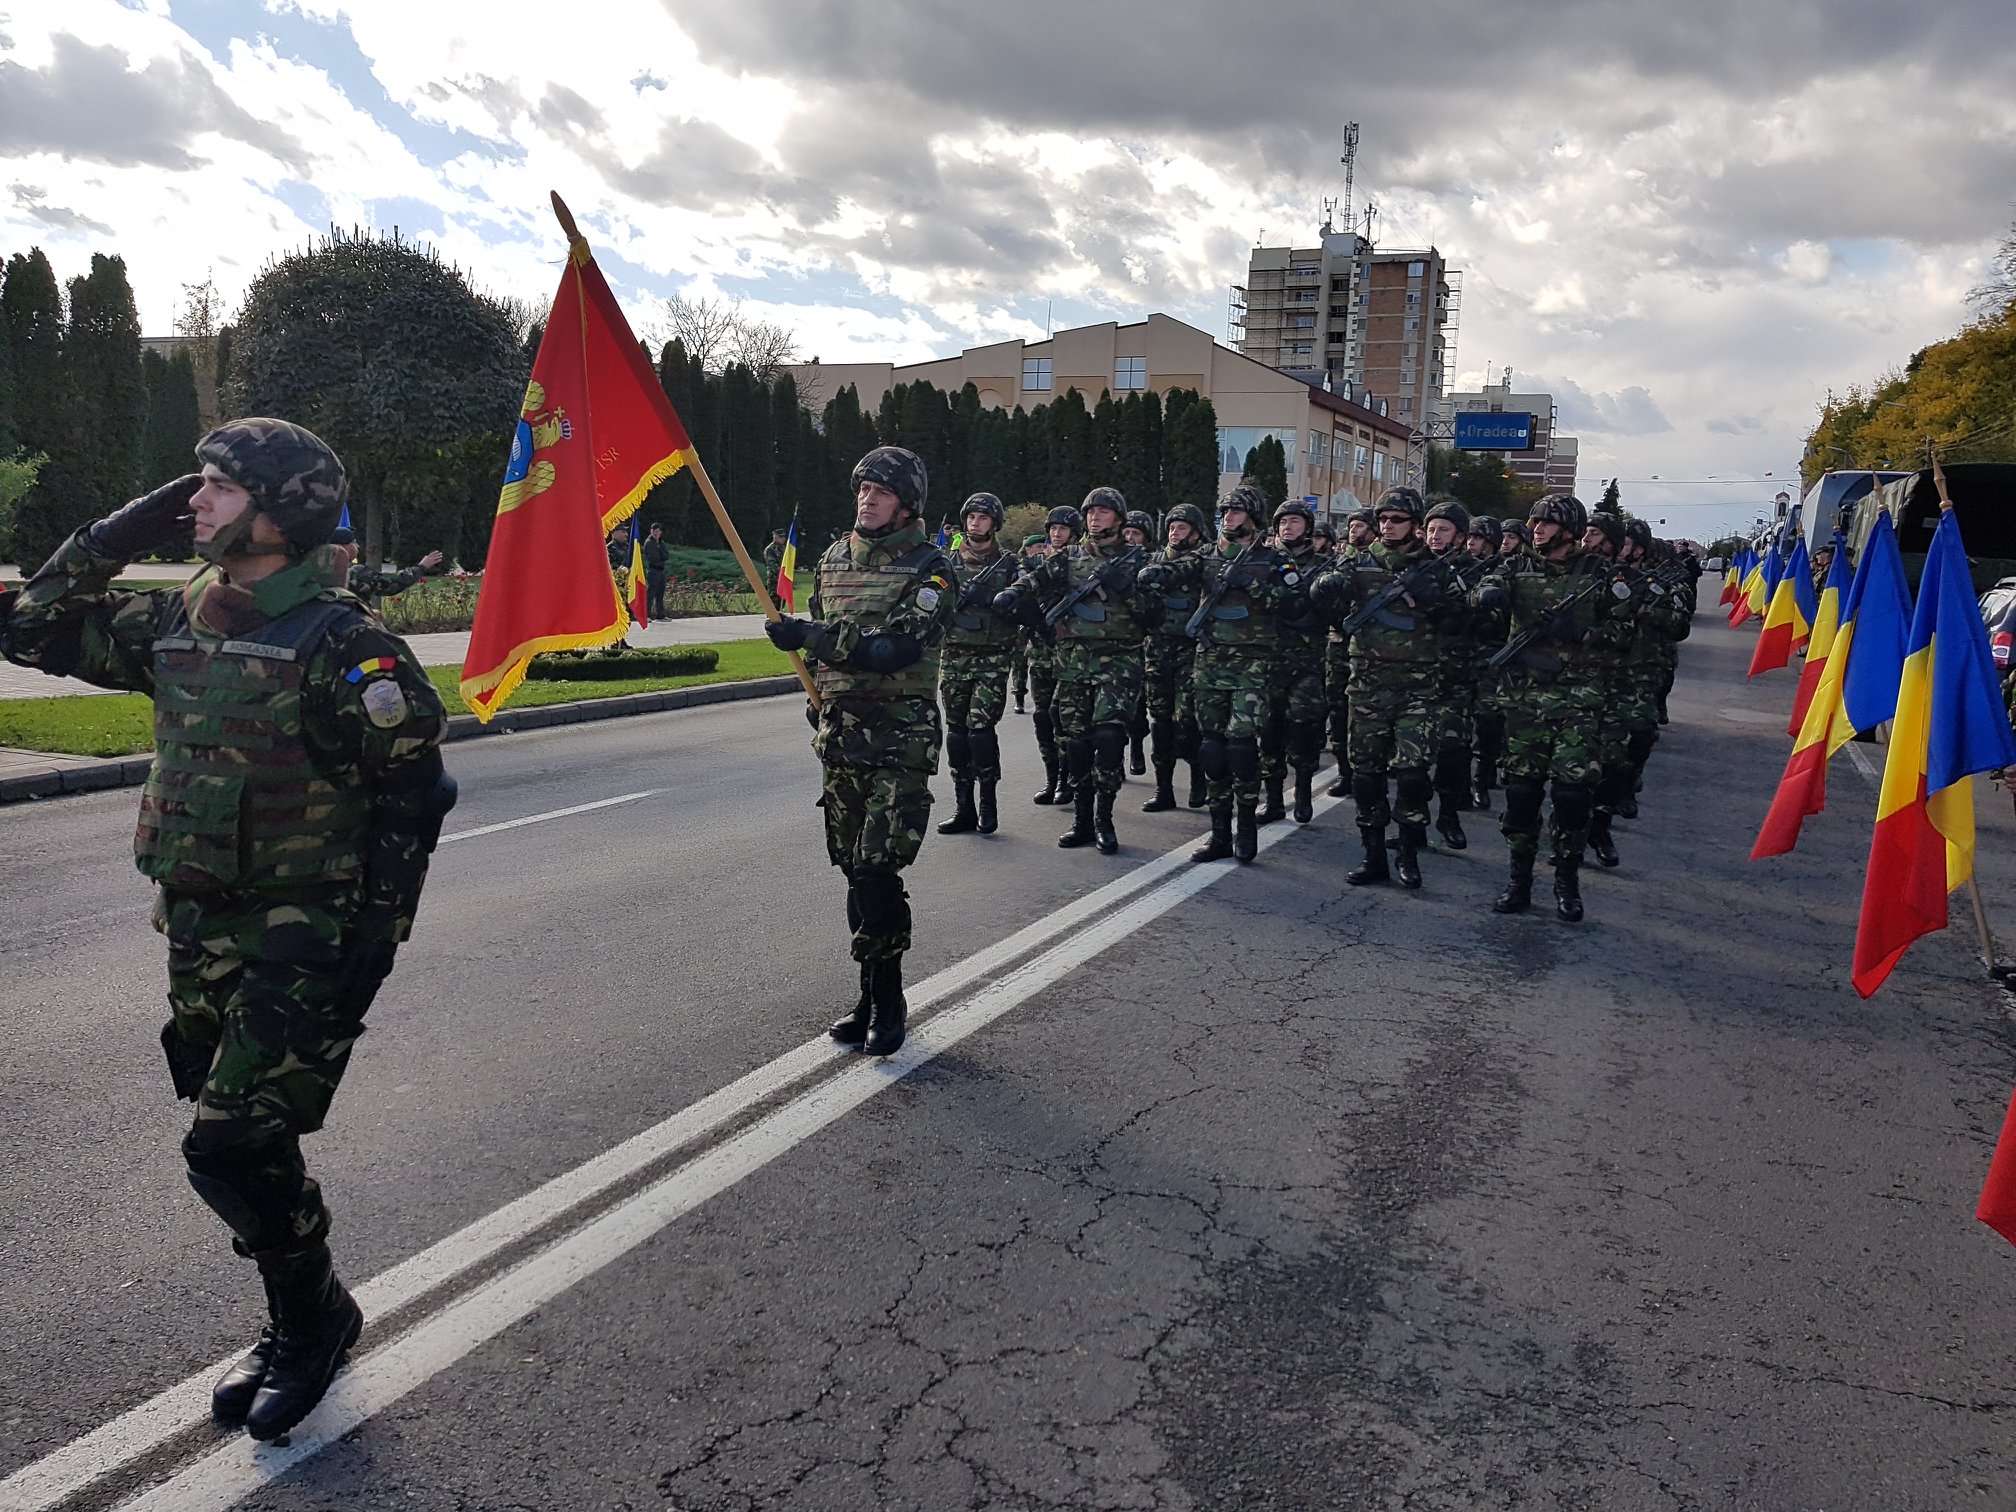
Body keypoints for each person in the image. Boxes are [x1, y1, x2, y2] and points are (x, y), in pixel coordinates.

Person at [3, 418, 455, 1440]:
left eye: (211, 486)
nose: (192, 501)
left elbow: (416, 796)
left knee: (227, 1143)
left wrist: (369, 948)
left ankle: (314, 1323)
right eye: (193, 485)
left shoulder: (346, 643)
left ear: (277, 509)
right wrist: (118, 528)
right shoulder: (185, 616)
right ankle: (306, 1309)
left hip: (306, 940)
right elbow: (29, 625)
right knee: (251, 1148)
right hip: (197, 924)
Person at [763, 446, 954, 1057]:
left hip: (901, 738)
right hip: (842, 734)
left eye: (881, 490)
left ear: (907, 502)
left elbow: (889, 650)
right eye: (862, 489)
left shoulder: (933, 570)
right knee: (851, 869)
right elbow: (827, 646)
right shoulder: (833, 560)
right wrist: (817, 687)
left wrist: (812, 635)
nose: (867, 499)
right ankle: (867, 997)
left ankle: (891, 998)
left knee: (876, 870)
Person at [1470, 493, 1633, 921]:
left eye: (1545, 524)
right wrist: (1486, 598)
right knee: (1522, 793)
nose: (1536, 530)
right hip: (1525, 699)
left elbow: (1625, 633)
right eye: (1534, 522)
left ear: (1568, 532)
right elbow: (1487, 586)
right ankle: (1518, 880)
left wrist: (1578, 633)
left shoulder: (1601, 574)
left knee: (1571, 796)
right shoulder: (1516, 566)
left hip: (1579, 700)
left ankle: (1567, 879)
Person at [1311, 486, 1466, 889]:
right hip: (1368, 686)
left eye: (1396, 520)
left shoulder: (1436, 569)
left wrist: (1436, 602)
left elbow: (1461, 623)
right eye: (1383, 520)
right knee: (1367, 775)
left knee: (1413, 775)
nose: (1387, 526)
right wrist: (1326, 586)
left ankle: (1408, 852)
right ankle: (1373, 853)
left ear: (1415, 525)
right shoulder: (1360, 561)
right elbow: (1330, 591)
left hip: (1418, 688)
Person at [996, 487, 1155, 854]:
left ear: (1118, 518)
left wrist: (1127, 590)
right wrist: (1014, 593)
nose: (1095, 517)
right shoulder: (1069, 557)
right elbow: (1036, 579)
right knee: (1077, 743)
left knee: (1110, 739)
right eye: (1090, 512)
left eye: (1103, 512)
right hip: (1073, 664)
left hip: (1118, 662)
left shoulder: (1137, 560)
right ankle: (1082, 819)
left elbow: (1154, 615)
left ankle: (1104, 819)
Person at [1186, 484, 1304, 863]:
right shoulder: (1204, 555)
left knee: (1240, 747)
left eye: (1236, 512)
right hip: (1210, 660)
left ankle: (1246, 827)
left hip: (1253, 663)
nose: (1228, 517)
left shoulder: (1274, 560)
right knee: (1211, 748)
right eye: (1225, 512)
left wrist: (1248, 584)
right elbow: (1172, 576)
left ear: (1252, 518)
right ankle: (1219, 832)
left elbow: (1293, 602)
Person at [936, 492, 1021, 836]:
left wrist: (997, 601)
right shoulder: (947, 562)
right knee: (956, 734)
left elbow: (1025, 606)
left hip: (992, 658)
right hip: (954, 655)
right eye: (971, 517)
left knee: (980, 732)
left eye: (983, 518)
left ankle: (988, 802)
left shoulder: (1010, 564)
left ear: (994, 523)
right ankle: (964, 807)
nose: (976, 523)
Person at [1259, 498, 1330, 825]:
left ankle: (1302, 790)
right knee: (1270, 730)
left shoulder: (1326, 565)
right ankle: (1273, 799)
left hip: (1308, 661)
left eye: (1295, 522)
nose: (1288, 527)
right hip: (1270, 659)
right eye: (1283, 522)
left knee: (1304, 727)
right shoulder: (1264, 562)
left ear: (1308, 528)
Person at [1137, 502, 1212, 812]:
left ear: (1195, 533)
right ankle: (1163, 789)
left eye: (1182, 527)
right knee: (1161, 721)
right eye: (1171, 527)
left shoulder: (1204, 562)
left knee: (1189, 720)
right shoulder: (1153, 561)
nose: (1175, 532)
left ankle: (1198, 780)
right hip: (1157, 649)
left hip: (1191, 649)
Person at [1422, 497, 1481, 849]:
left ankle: (1448, 814)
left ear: (1460, 536)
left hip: (1456, 675)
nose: (1435, 536)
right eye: (1430, 529)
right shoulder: (1414, 568)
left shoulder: (1476, 572)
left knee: (1453, 750)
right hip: (1416, 673)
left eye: (1443, 530)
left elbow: (1484, 620)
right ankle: (1411, 828)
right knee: (1410, 762)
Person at [1025, 507, 1083, 806]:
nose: (1056, 534)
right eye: (1053, 528)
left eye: (1063, 529)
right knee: (1042, 716)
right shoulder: (1036, 563)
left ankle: (1067, 779)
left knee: (1063, 718)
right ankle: (1051, 777)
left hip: (1068, 651)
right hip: (1039, 649)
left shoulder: (1078, 563)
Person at [1122, 509, 1157, 774]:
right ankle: (1116, 758)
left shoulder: (1150, 563)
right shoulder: (1112, 560)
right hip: (1120, 643)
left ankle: (1136, 748)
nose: (1130, 538)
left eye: (1136, 533)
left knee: (1140, 705)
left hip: (1147, 643)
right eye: (1127, 532)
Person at [1010, 532, 1043, 715]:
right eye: (1037, 547)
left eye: (1042, 546)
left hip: (1040, 616)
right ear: (1028, 549)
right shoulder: (1020, 565)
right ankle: (1019, 696)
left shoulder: (1048, 563)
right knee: (1019, 660)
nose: (1041, 550)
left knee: (1041, 659)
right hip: (1022, 617)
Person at [642, 522, 671, 618]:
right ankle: (646, 614)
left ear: (660, 532)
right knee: (650, 593)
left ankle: (660, 614)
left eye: (657, 531)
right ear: (651, 531)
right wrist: (661, 556)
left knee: (660, 593)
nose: (655, 533)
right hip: (653, 571)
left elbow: (666, 556)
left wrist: (661, 555)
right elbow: (653, 558)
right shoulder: (649, 543)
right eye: (654, 531)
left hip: (661, 571)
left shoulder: (662, 543)